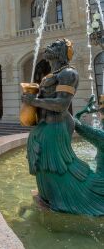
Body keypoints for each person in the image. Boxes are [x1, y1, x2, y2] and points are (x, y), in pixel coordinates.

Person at [22, 38, 104, 216]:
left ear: (61, 52)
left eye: (54, 45)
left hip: (56, 126)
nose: (48, 46)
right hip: (43, 126)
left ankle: (67, 200)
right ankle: (49, 196)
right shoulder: (51, 76)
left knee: (56, 166)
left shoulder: (69, 73)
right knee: (44, 166)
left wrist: (35, 100)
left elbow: (61, 104)